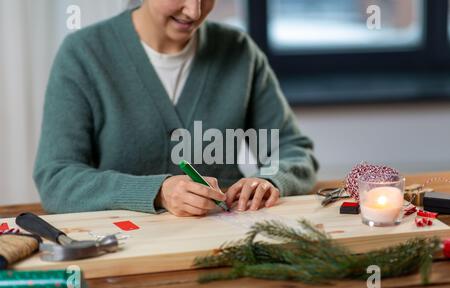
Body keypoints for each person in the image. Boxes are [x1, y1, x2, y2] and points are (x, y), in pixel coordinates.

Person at [34, 0, 319, 217]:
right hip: (124, 250)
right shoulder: (83, 54)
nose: (194, 11)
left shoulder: (239, 51)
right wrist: (157, 192)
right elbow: (57, 177)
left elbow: (292, 149)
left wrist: (270, 179)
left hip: (227, 240)